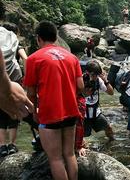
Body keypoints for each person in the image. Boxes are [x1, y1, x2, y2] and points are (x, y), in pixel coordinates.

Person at [24, 21, 84, 180]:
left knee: (55, 158)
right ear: (56, 37)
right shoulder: (72, 57)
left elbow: (30, 92)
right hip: (71, 110)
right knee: (69, 154)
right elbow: (80, 86)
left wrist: (35, 111)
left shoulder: (33, 59)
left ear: (38, 38)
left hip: (50, 113)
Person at [0, 26, 28, 156]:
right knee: (14, 113)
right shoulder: (14, 42)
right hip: (15, 80)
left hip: (1, 82)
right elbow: (26, 59)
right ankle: (12, 144)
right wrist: (27, 81)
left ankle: (2, 146)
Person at [83, 61, 115, 141]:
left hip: (96, 113)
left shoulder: (98, 80)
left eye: (97, 75)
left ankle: (111, 144)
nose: (95, 77)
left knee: (108, 128)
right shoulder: (81, 80)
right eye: (93, 75)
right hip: (84, 115)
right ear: (87, 72)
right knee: (84, 136)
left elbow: (111, 93)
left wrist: (105, 80)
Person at [0, 50, 33, 120]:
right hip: (11, 83)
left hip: (7, 84)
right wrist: (6, 89)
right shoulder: (15, 43)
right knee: (16, 115)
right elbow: (25, 58)